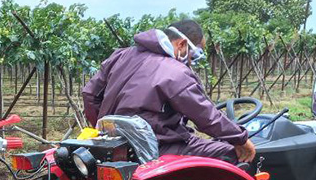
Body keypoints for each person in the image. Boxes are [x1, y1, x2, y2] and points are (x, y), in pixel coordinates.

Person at [81, 20, 256, 163]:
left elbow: (90, 95)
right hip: (157, 147)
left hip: (113, 145)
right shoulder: (176, 73)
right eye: (193, 56)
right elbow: (206, 117)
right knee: (230, 154)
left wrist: (108, 128)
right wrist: (240, 139)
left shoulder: (120, 56)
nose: (190, 62)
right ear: (182, 44)